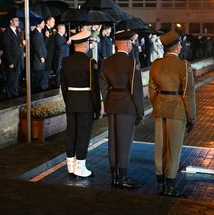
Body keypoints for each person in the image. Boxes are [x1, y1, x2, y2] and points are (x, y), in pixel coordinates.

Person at [149, 30, 196, 197]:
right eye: (180, 45)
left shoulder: (156, 64)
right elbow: (188, 94)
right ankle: (170, 186)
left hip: (160, 108)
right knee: (173, 149)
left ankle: (161, 184)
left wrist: (158, 105)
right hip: (177, 110)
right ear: (176, 47)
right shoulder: (184, 65)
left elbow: (152, 90)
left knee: (160, 148)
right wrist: (191, 117)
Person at [100, 30, 144, 189]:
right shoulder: (132, 62)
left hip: (113, 104)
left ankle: (114, 176)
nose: (132, 45)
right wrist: (140, 110)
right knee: (124, 143)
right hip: (127, 105)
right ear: (126, 43)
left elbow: (103, 87)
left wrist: (108, 101)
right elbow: (136, 90)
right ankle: (123, 178)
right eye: (131, 42)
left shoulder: (107, 62)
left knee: (113, 142)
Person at [60, 30, 101, 178]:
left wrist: (68, 100)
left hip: (71, 101)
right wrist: (97, 108)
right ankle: (80, 168)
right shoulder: (90, 62)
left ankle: (70, 166)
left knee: (71, 133)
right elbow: (95, 88)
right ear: (85, 45)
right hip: (86, 104)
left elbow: (63, 85)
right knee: (83, 135)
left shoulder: (65, 61)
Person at [1, 15, 25, 98]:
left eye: (18, 20)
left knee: (16, 78)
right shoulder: (7, 32)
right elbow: (6, 48)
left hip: (19, 59)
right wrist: (10, 61)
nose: (18, 22)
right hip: (12, 59)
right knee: (10, 78)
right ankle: (9, 94)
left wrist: (22, 45)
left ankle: (15, 93)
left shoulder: (17, 31)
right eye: (16, 20)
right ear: (11, 21)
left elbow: (19, 45)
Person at [31, 19, 48, 92]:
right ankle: (34, 92)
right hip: (38, 59)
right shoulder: (36, 33)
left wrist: (46, 37)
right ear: (38, 24)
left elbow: (43, 45)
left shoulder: (40, 32)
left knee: (40, 75)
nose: (44, 24)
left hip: (42, 58)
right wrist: (41, 56)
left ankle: (37, 90)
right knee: (37, 76)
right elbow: (37, 46)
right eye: (43, 23)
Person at [42, 16, 56, 88]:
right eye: (53, 21)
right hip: (46, 54)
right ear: (48, 21)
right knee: (46, 69)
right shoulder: (44, 30)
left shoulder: (51, 30)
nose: (54, 23)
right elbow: (44, 43)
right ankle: (43, 85)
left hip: (50, 53)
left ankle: (45, 84)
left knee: (48, 69)